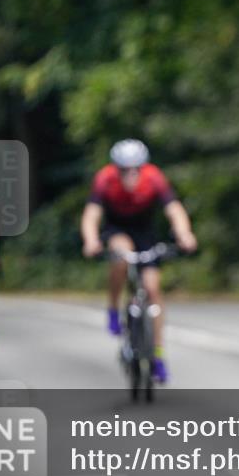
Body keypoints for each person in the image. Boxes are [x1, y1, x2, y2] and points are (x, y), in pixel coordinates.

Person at [80, 139, 197, 384]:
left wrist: (184, 234)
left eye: (135, 169)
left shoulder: (153, 178)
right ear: (116, 168)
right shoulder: (105, 180)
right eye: (124, 169)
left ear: (142, 167)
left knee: (153, 290)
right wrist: (91, 240)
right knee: (122, 255)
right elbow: (91, 215)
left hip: (146, 234)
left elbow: (174, 209)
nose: (130, 175)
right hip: (118, 231)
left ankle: (158, 355)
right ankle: (113, 308)